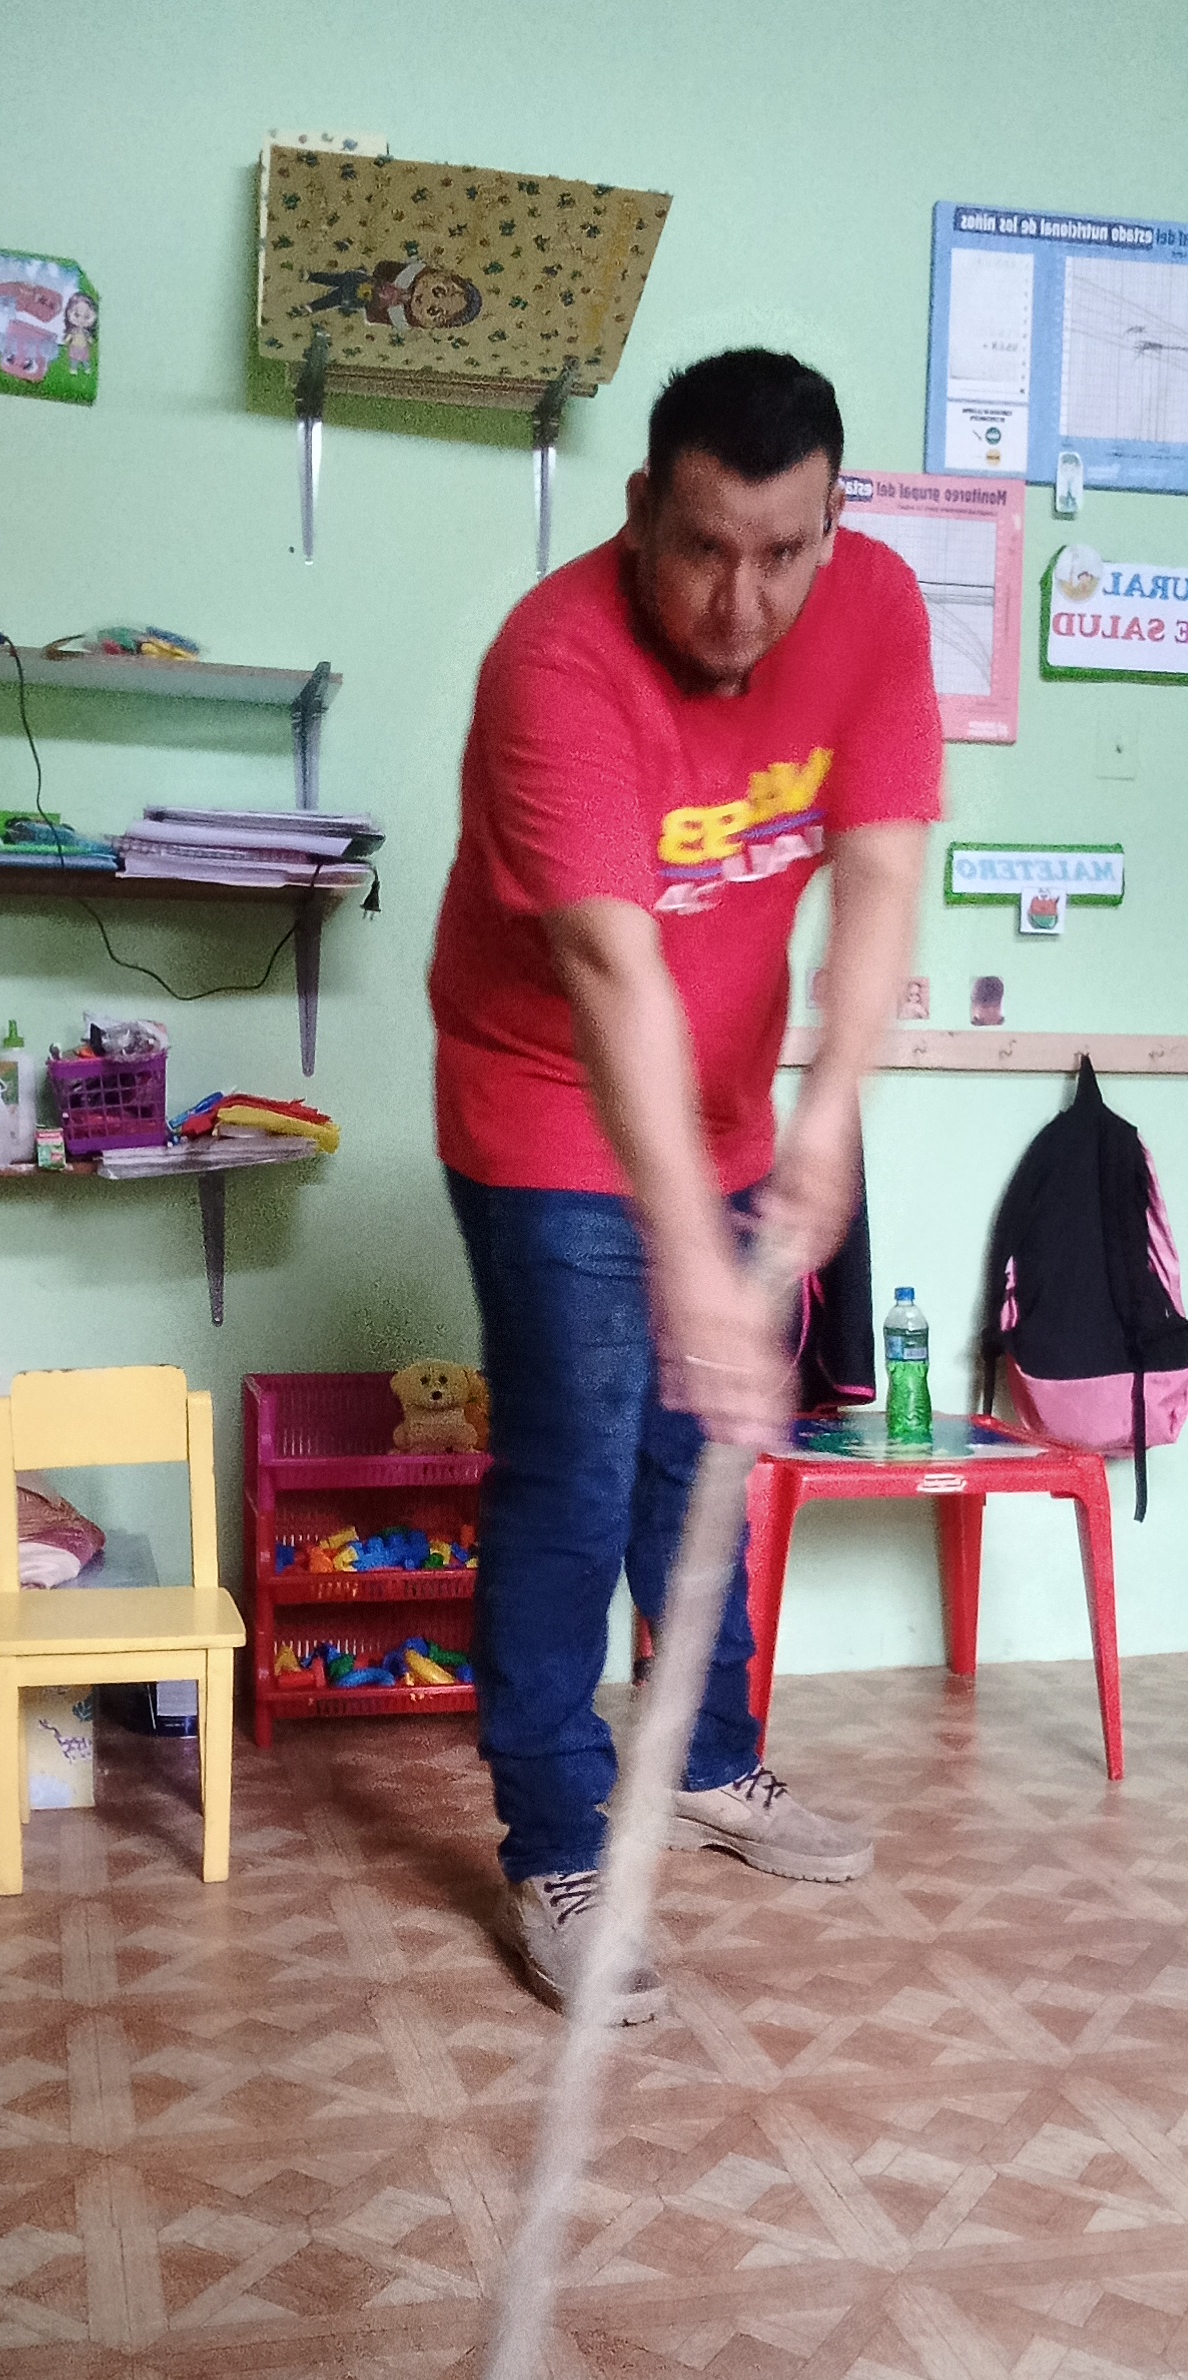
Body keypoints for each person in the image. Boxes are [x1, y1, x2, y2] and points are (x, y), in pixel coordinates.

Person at [428, 347, 943, 2022]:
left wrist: (830, 1108)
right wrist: (694, 1266)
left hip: (721, 1104)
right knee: (579, 1469)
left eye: (784, 552)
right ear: (644, 506)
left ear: (833, 524)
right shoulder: (555, 661)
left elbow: (880, 871)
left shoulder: (873, 610)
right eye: (707, 548)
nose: (744, 602)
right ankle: (557, 1843)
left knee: (703, 1453)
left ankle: (709, 1760)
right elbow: (611, 968)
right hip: (543, 1100)